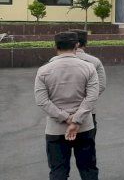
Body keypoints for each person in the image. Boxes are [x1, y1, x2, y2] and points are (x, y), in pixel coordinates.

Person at [35, 31, 99, 179]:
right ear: (77, 45)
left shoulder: (43, 71)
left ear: (55, 46)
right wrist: (76, 120)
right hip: (84, 126)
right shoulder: (89, 67)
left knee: (58, 171)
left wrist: (65, 118)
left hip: (56, 129)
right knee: (88, 169)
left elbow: (42, 101)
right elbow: (92, 97)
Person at [71, 29, 106, 132]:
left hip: (61, 114)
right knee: (86, 146)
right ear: (85, 43)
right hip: (88, 112)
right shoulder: (94, 62)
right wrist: (87, 101)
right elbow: (101, 85)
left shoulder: (53, 63)